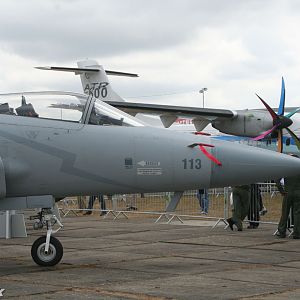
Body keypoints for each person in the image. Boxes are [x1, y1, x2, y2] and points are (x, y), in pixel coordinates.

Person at [275, 165, 300, 239]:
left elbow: (277, 181)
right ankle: (297, 233)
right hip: (298, 193)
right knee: (297, 213)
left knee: (285, 212)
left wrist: (281, 191)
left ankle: (282, 231)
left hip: (287, 193)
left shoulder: (286, 169)